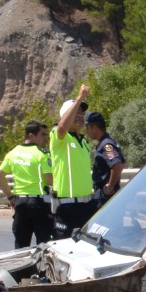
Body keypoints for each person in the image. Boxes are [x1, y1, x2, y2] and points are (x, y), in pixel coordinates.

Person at [0, 120, 53, 248]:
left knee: (21, 245)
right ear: (31, 135)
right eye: (43, 135)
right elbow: (50, 180)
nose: (46, 138)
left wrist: (10, 197)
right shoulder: (42, 154)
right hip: (38, 203)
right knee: (44, 245)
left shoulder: (13, 153)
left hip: (20, 203)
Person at [50, 84, 96, 237]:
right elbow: (62, 128)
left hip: (87, 206)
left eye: (82, 113)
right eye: (76, 112)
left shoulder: (83, 141)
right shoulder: (59, 138)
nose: (80, 115)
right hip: (68, 207)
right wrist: (79, 99)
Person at [84, 110, 124, 203]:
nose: (86, 131)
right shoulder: (106, 143)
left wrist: (110, 186)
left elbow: (117, 165)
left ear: (93, 127)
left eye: (87, 128)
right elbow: (121, 163)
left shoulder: (106, 145)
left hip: (106, 197)